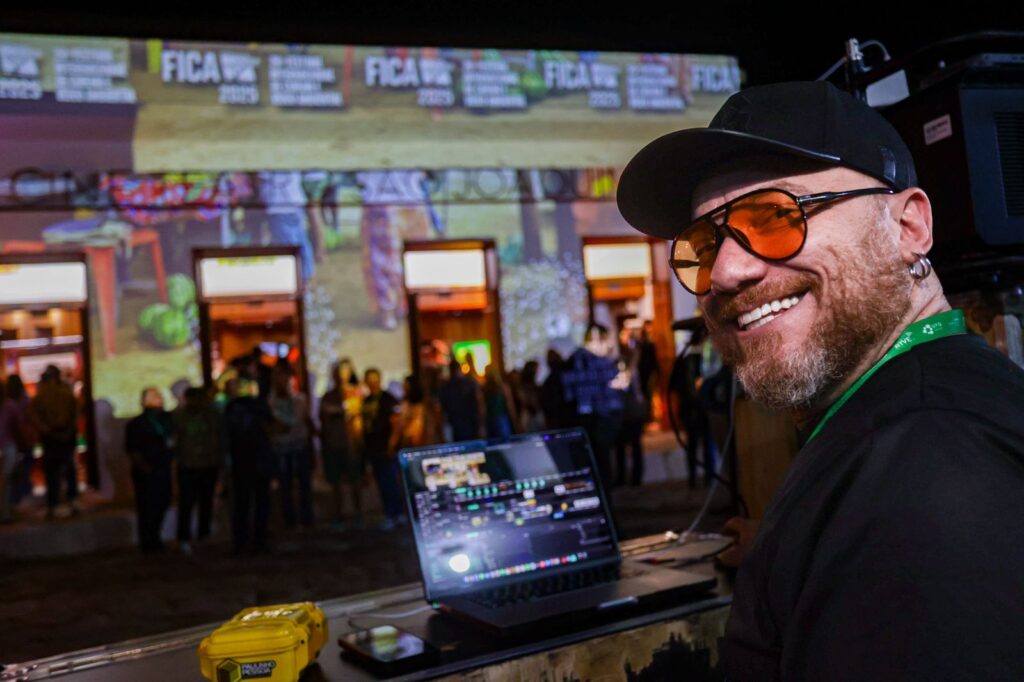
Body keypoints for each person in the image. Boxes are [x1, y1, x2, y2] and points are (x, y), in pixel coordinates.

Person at [617, 80, 1024, 680]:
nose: (724, 272)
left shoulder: (929, 467)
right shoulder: (910, 430)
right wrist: (804, 548)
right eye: (702, 246)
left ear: (908, 227)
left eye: (776, 216)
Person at [561, 325, 624, 486]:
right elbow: (614, 393)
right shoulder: (601, 362)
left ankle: (593, 490)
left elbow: (568, 391)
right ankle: (603, 490)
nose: (608, 345)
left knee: (588, 459)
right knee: (601, 459)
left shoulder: (574, 359)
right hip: (598, 417)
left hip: (583, 417)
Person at [124, 388, 175, 553]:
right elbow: (132, 449)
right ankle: (148, 541)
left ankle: (155, 537)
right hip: (146, 471)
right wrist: (144, 466)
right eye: (156, 397)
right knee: (147, 506)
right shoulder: (138, 424)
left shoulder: (166, 420)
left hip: (162, 467)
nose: (161, 400)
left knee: (162, 502)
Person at [173, 386, 223, 552]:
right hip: (188, 466)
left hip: (208, 465)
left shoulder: (212, 415)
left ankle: (203, 535)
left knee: (206, 502)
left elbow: (218, 437)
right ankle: (184, 537)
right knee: (187, 503)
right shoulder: (179, 416)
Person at [30, 365, 79, 520]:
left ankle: (61, 502)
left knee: (61, 470)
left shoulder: (54, 394)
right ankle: (63, 501)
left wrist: (50, 431)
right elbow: (34, 416)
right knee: (61, 470)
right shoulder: (46, 395)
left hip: (57, 436)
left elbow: (74, 414)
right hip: (57, 436)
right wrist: (53, 431)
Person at [268, 363, 314, 529]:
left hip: (299, 445)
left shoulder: (299, 399)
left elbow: (302, 420)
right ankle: (290, 520)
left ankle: (306, 518)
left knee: (303, 484)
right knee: (285, 485)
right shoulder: (270, 402)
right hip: (282, 448)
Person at [320, 359, 365, 529]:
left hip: (352, 444)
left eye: (345, 370)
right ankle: (338, 514)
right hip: (334, 444)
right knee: (336, 482)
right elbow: (325, 416)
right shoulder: (329, 396)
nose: (342, 375)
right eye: (339, 371)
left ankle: (358, 514)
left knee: (355, 481)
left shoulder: (356, 393)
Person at [667, 326, 713, 488]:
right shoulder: (698, 359)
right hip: (697, 408)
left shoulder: (690, 359)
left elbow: (673, 386)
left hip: (694, 408)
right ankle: (705, 478)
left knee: (696, 444)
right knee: (703, 444)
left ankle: (697, 478)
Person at [361, 368, 403, 529]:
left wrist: (391, 444)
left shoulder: (388, 399)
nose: (372, 383)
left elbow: (396, 424)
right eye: (369, 380)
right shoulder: (367, 401)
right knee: (381, 482)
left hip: (386, 448)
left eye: (375, 379)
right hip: (374, 448)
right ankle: (390, 513)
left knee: (390, 481)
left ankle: (396, 513)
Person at [438, 357, 483, 442]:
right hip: (471, 423)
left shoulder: (445, 388)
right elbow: (479, 403)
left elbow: (443, 411)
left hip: (455, 426)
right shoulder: (470, 383)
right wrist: (481, 424)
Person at [0, 381, 22, 522]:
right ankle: (5, 512)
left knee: (6, 480)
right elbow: (18, 427)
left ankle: (5, 511)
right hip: (8, 446)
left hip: (8, 447)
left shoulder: (10, 406)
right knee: (6, 480)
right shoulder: (10, 406)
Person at [482, 367, 519, 439]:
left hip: (492, 419)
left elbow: (483, 408)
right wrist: (515, 420)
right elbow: (510, 405)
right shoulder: (502, 387)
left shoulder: (485, 389)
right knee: (505, 441)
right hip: (500, 419)